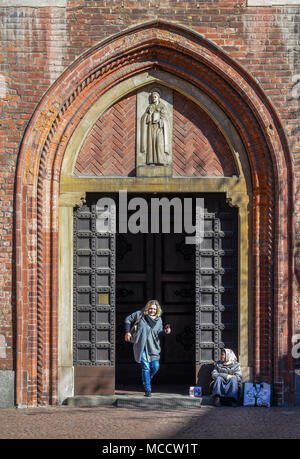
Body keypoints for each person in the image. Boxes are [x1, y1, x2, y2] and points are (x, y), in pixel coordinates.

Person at [124, 299, 171, 397]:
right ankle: (148, 389)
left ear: (157, 310)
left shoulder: (159, 320)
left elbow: (159, 333)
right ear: (147, 308)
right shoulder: (140, 314)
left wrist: (165, 332)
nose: (152, 310)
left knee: (155, 367)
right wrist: (128, 331)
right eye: (150, 308)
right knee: (145, 367)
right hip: (141, 346)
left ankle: (146, 381)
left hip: (153, 347)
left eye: (154, 309)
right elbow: (128, 319)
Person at [140, 90, 170, 165]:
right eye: (153, 97)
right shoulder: (150, 107)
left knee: (159, 143)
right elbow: (144, 118)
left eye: (155, 97)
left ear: (158, 98)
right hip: (151, 127)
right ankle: (151, 161)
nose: (154, 98)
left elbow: (166, 118)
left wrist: (160, 120)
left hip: (159, 127)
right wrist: (149, 114)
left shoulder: (162, 106)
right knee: (151, 144)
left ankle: (162, 161)